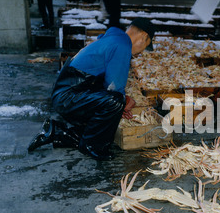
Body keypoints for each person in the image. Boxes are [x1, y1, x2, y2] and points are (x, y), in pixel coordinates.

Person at [27, 18, 156, 161]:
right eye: (146, 45)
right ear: (143, 36)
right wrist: (123, 102)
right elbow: (114, 87)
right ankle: (92, 147)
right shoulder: (122, 44)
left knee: (106, 117)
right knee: (115, 101)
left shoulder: (115, 38)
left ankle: (56, 132)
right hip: (68, 97)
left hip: (66, 94)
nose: (141, 52)